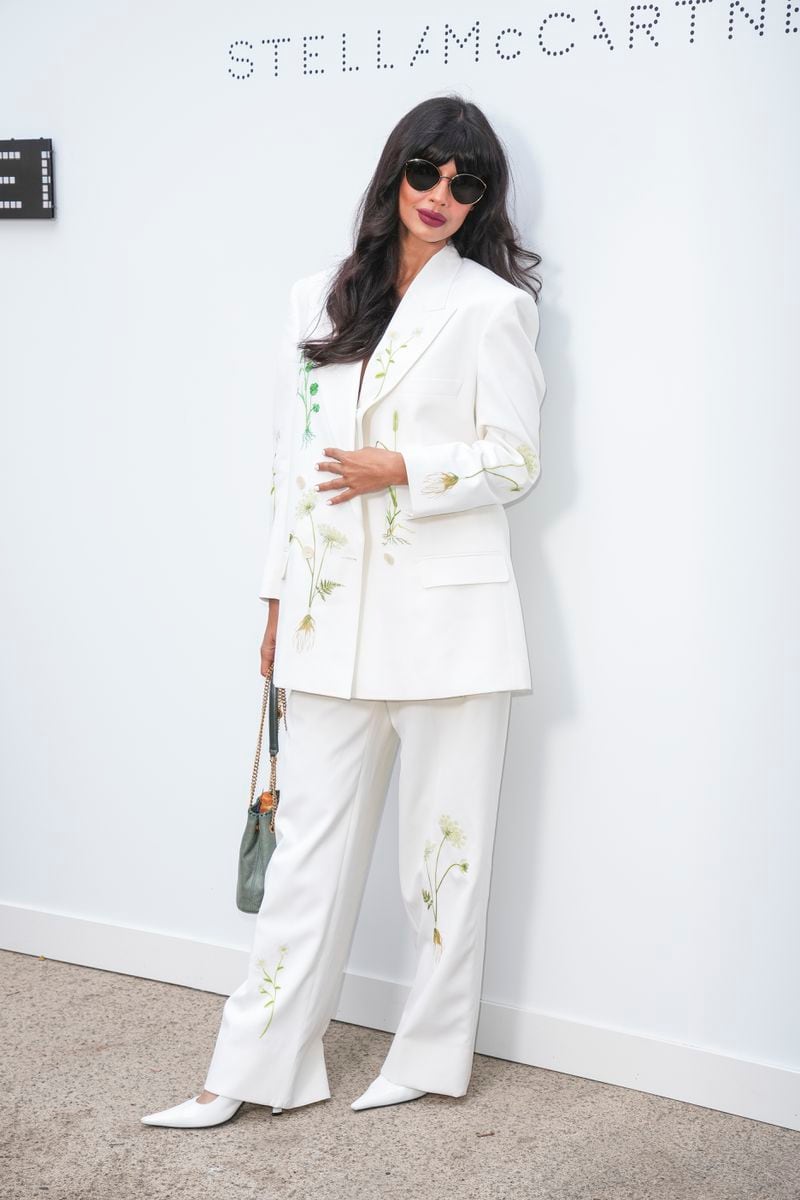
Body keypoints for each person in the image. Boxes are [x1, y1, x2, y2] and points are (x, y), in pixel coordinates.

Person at [141, 93, 547, 1128]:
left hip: (450, 628)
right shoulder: (314, 298)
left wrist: (402, 466)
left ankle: (429, 1054)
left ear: (482, 200)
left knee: (442, 858)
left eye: (466, 184)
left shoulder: (491, 308)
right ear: (392, 174)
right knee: (305, 862)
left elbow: (515, 459)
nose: (441, 197)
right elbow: (289, 468)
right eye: (425, 172)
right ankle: (249, 1070)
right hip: (328, 620)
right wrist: (275, 598)